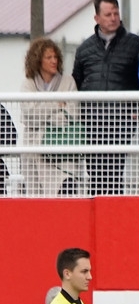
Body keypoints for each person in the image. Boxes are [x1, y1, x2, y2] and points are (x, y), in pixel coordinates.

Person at [71, 0, 139, 196]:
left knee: (115, 172)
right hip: (92, 122)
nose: (113, 18)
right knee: (95, 173)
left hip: (122, 121)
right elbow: (76, 82)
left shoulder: (136, 45)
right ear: (97, 18)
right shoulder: (84, 50)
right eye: (108, 14)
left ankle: (114, 213)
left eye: (116, 13)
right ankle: (96, 212)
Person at [20, 38, 85, 197]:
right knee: (36, 198)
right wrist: (56, 104)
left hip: (62, 148)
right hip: (34, 148)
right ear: (38, 60)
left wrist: (43, 112)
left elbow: (72, 114)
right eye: (49, 57)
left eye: (55, 57)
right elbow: (29, 116)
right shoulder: (28, 84)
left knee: (64, 191)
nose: (54, 61)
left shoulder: (68, 82)